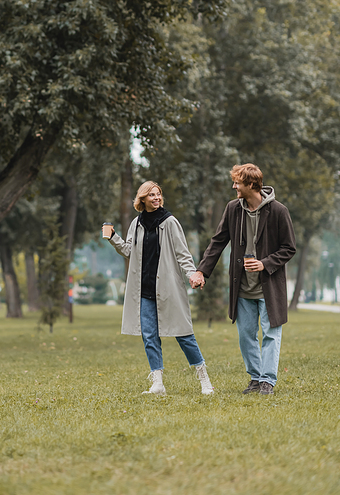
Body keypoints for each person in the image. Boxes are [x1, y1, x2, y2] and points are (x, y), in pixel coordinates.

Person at [189, 164, 296, 395]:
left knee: (270, 333)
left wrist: (264, 263)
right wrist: (201, 271)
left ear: (251, 185)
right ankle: (256, 378)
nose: (233, 186)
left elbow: (289, 248)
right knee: (246, 335)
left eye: (237, 182)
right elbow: (217, 242)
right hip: (243, 287)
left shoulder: (278, 211)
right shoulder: (232, 209)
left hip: (269, 285)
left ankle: (268, 380)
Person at [105, 181, 214, 396]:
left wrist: (192, 274)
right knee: (149, 336)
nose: (156, 198)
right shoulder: (136, 223)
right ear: (142, 199)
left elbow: (183, 254)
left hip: (168, 288)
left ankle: (205, 380)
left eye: (158, 194)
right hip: (143, 291)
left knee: (183, 334)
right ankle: (158, 384)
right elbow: (129, 250)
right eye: (152, 195)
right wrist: (113, 238)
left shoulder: (170, 222)